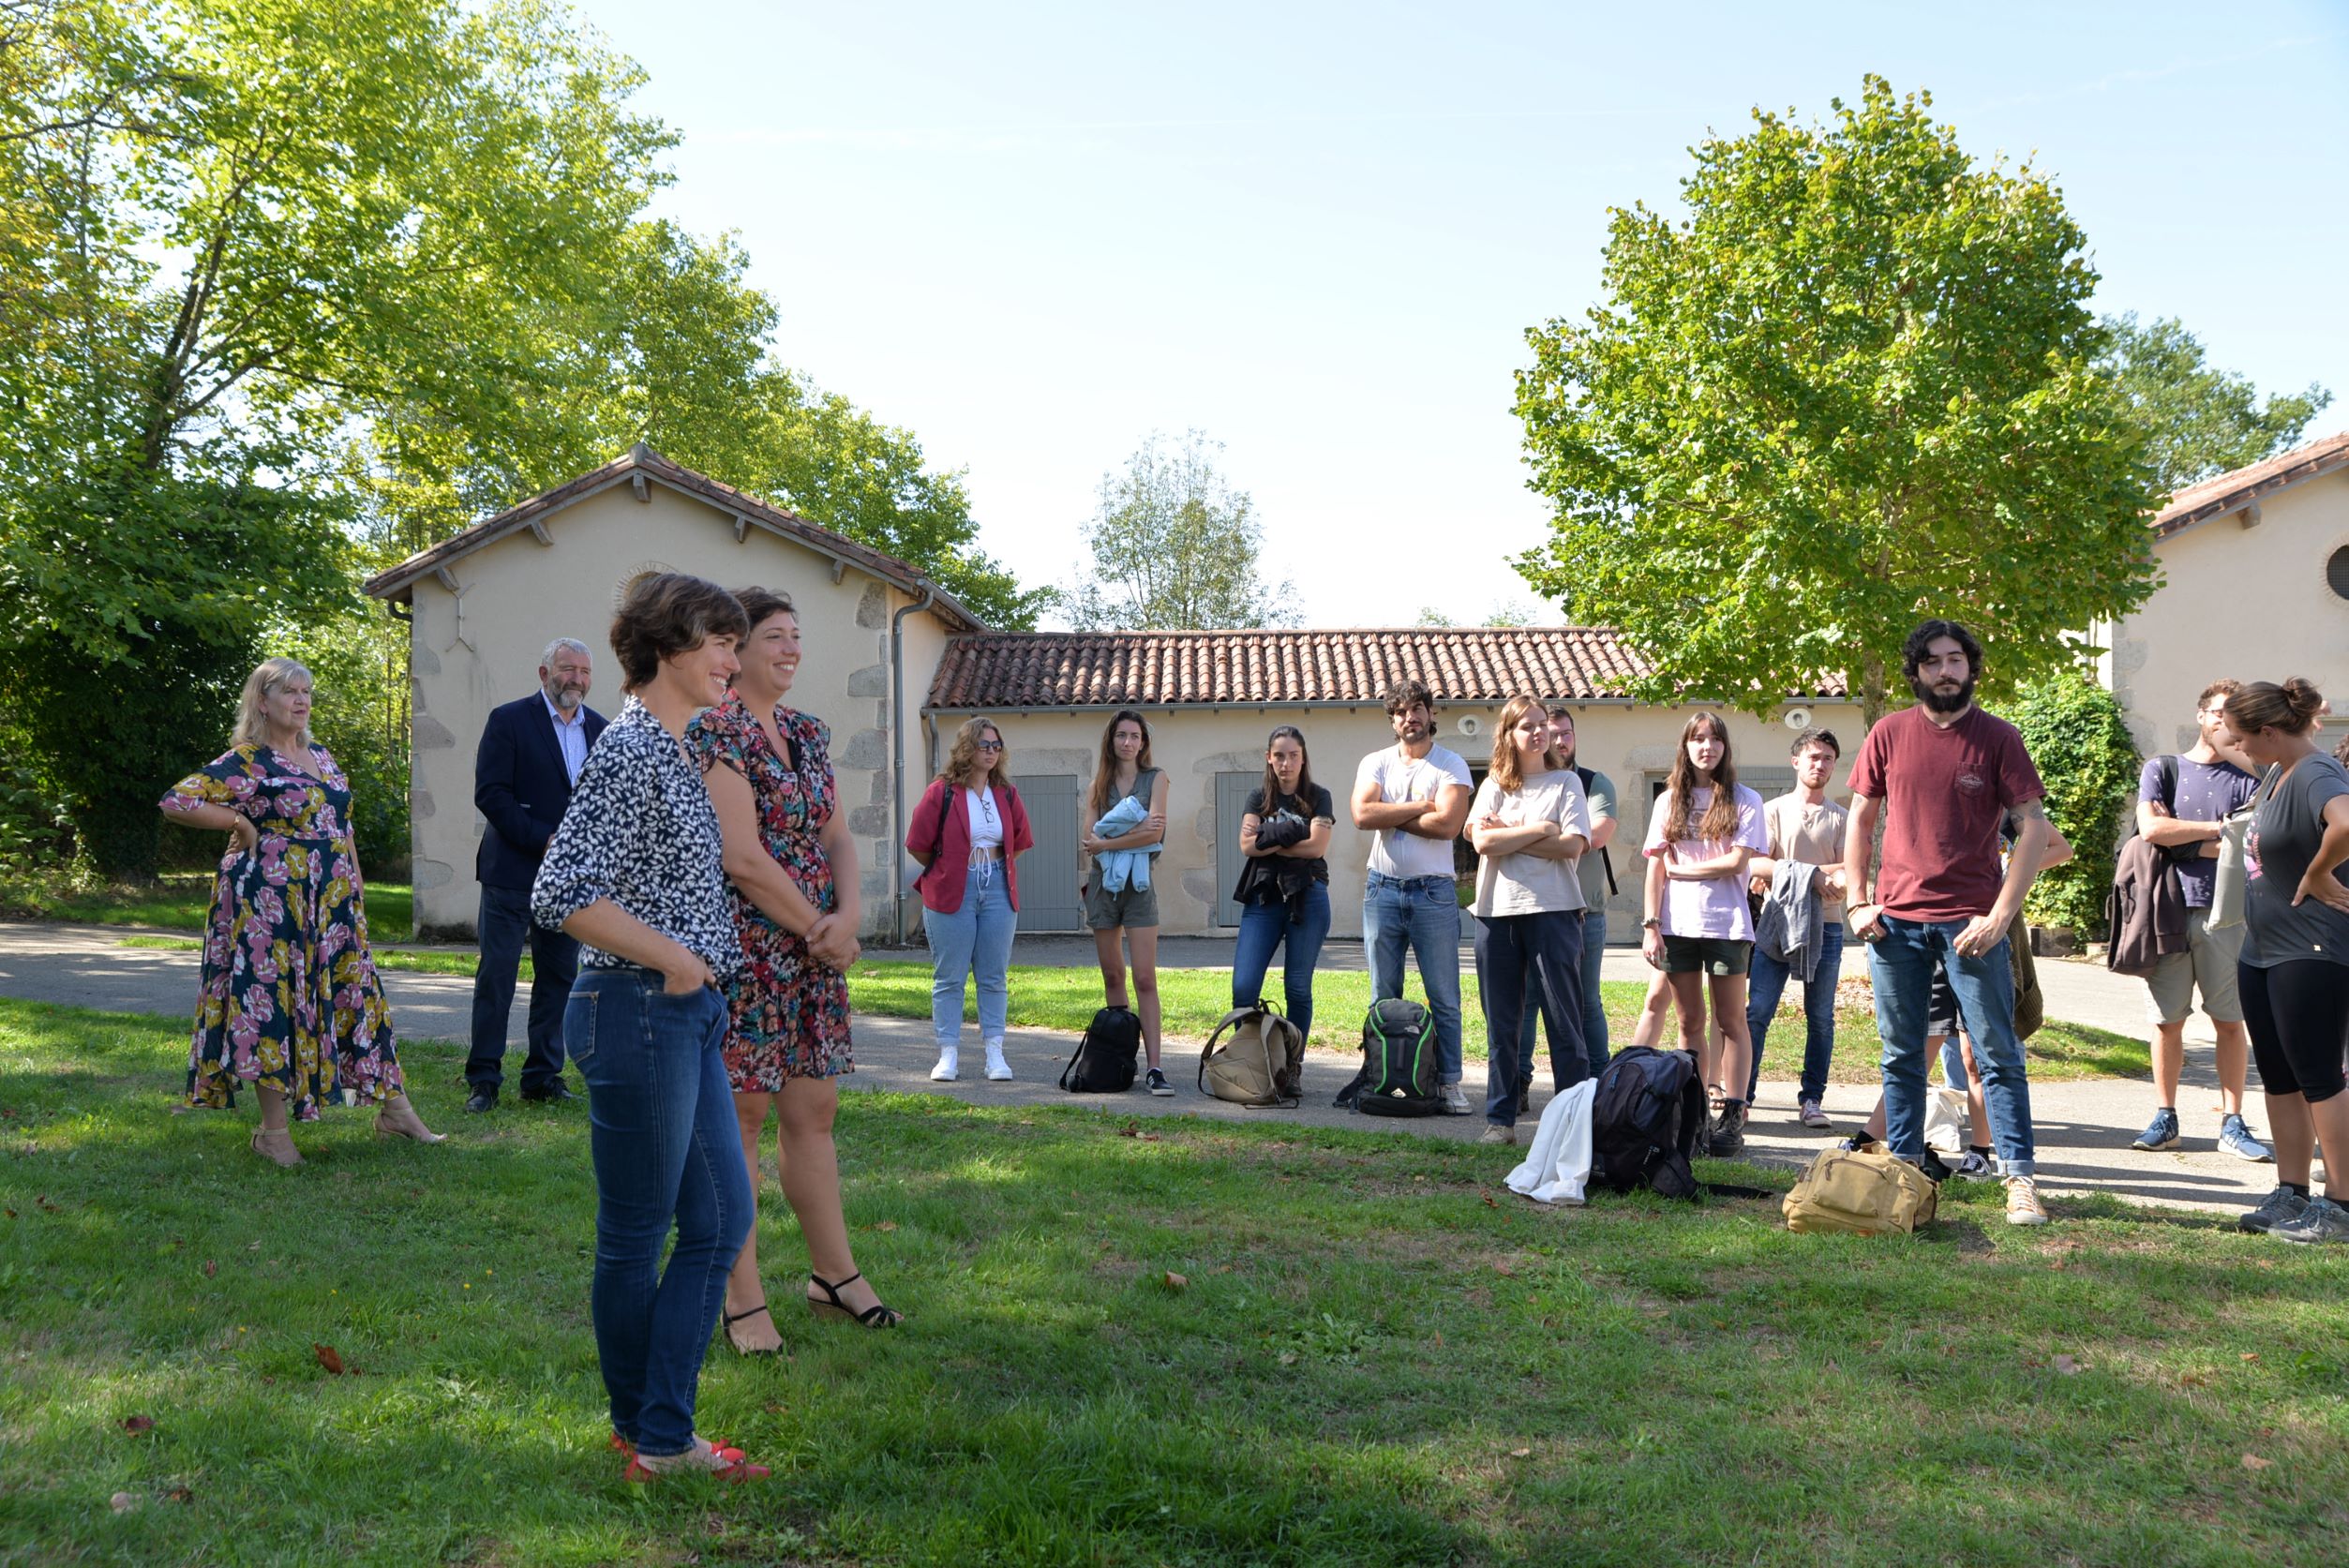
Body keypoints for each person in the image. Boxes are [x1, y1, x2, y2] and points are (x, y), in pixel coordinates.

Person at [531, 572, 768, 1482]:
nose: (732, 660)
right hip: (638, 1007)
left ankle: (661, 1432)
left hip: (684, 1013)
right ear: (669, 642)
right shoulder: (631, 746)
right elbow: (561, 891)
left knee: (719, 1218)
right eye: (719, 640)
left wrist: (694, 975)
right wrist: (674, 959)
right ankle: (653, 1438)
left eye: (736, 643)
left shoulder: (675, 749)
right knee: (638, 1233)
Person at [686, 589, 897, 1354]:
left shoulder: (808, 731)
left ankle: (833, 1275)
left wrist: (848, 917)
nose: (792, 648)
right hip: (750, 952)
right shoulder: (713, 729)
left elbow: (838, 835)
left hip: (813, 954)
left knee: (814, 1111)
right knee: (740, 1119)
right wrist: (819, 929)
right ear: (733, 649)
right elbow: (741, 857)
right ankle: (740, 1298)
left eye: (796, 635)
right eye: (775, 635)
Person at [160, 657, 441, 1165]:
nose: (301, 699)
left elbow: (343, 828)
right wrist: (240, 824)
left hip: (332, 905)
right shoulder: (248, 760)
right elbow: (178, 801)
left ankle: (396, 1112)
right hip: (271, 903)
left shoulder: (325, 758)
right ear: (262, 702)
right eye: (289, 690)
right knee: (272, 1005)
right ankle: (274, 1134)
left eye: (306, 690)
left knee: (359, 996)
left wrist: (354, 889)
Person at [1844, 619, 2054, 1227]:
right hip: (1896, 924)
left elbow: (2034, 826)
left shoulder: (1998, 738)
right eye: (1932, 660)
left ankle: (2019, 1180)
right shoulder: (1888, 733)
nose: (1944, 669)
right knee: (1902, 1054)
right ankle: (1905, 1175)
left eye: (1955, 659)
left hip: (1972, 924)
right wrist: (1858, 900)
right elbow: (1860, 818)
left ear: (1971, 668)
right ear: (1916, 671)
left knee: (1997, 1052)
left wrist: (2000, 915)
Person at [2222, 679, 2349, 1244]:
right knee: (2279, 1078)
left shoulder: (2318, 773)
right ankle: (2291, 1192)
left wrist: (2320, 870)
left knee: (2320, 1077)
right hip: (2265, 950)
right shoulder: (2278, 770)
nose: (2239, 746)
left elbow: (2347, 822)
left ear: (2271, 732)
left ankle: (2341, 1206)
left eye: (2244, 737)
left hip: (2311, 948)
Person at [2129, 680, 2272, 1161]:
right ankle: (2165, 1118)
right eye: (2217, 714)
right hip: (2167, 909)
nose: (2224, 722)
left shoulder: (2253, 778)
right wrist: (2222, 831)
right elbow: (2151, 829)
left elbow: (2256, 842)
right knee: (2167, 1021)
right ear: (2201, 715)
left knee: (2229, 1021)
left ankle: (2233, 1122)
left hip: (2230, 915)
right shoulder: (2163, 769)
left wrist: (2184, 838)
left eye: (2234, 716)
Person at [465, 636, 608, 1113]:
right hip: (511, 873)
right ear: (544, 673)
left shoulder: (602, 730)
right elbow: (491, 793)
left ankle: (542, 1076)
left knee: (558, 978)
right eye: (568, 669)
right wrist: (544, 838)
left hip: (569, 879)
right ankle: (483, 1078)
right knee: (497, 978)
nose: (578, 680)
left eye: (585, 672)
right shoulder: (509, 721)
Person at [1640, 712, 1768, 1156]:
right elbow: (1656, 867)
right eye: (1698, 739)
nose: (1706, 746)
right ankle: (1693, 1115)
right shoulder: (1667, 801)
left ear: (1725, 747)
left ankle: (1733, 1114)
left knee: (1731, 1021)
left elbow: (1737, 863)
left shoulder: (1745, 799)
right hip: (1677, 927)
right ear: (1686, 746)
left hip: (1728, 926)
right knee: (1689, 1022)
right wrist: (1651, 925)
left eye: (1714, 739)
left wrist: (1685, 870)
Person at [1467, 695, 1591, 1144]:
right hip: (1496, 912)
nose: (1539, 733)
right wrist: (1542, 829)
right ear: (1509, 735)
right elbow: (1482, 844)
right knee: (1503, 1024)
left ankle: (1573, 1121)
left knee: (1564, 1022)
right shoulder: (1493, 786)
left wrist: (1508, 836)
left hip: (1554, 911)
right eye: (1527, 726)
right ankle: (1501, 1121)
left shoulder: (1566, 784)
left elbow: (1572, 847)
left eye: (1543, 725)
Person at [1352, 680, 1475, 1114]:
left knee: (1444, 995)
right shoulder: (1376, 761)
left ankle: (1449, 1082)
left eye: (1417, 708)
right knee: (1382, 994)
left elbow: (1448, 827)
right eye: (1401, 711)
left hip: (1433, 893)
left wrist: (1392, 812)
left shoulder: (1451, 764)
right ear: (1392, 720)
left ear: (1430, 713)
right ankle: (1381, 1076)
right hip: (1381, 890)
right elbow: (1362, 814)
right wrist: (1421, 806)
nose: (1410, 717)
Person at [906, 717, 1034, 1083]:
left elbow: (1020, 842)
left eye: (997, 745)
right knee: (950, 977)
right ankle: (948, 1053)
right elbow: (917, 844)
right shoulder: (942, 791)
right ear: (968, 748)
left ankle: (995, 1052)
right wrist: (952, 867)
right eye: (984, 745)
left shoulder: (1006, 793)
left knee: (993, 976)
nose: (992, 751)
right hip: (953, 887)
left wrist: (991, 867)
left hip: (997, 886)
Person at [1742, 727, 1850, 1130]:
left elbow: (1848, 872)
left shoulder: (1843, 818)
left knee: (1820, 1017)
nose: (1819, 765)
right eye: (1812, 757)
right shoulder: (1772, 811)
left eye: (1827, 759)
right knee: (1758, 1013)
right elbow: (1754, 863)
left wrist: (1790, 873)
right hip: (1776, 924)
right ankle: (1743, 1097)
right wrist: (1814, 878)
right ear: (1795, 761)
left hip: (1829, 928)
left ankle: (1812, 1099)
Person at [1514, 703, 1616, 1108]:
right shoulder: (1522, 781)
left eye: (1565, 733)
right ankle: (1519, 1082)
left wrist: (1519, 836)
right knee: (1527, 1002)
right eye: (1550, 732)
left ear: (1575, 737)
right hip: (1535, 908)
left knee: (1586, 1000)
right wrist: (1554, 835)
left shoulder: (1594, 783)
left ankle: (1600, 1084)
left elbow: (1595, 836)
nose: (1558, 740)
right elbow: (1486, 836)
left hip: (1586, 912)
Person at [1082, 709, 1174, 1095]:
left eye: (1135, 736)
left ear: (1143, 743)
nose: (1128, 742)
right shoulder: (1097, 786)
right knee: (1113, 977)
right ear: (1111, 740)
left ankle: (1155, 1068)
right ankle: (1122, 1059)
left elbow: (1156, 832)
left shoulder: (1157, 779)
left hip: (1139, 889)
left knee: (1144, 977)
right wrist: (1125, 834)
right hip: (1103, 886)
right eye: (1121, 735)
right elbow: (1088, 840)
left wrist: (1109, 838)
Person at [1231, 725, 1336, 1038]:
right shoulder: (1258, 797)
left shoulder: (1319, 797)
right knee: (1243, 987)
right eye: (1279, 756)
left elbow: (1317, 847)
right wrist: (1293, 834)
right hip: (1264, 896)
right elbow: (1246, 846)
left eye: (1293, 756)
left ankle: (1291, 1066)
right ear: (1268, 758)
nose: (1286, 764)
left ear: (1303, 759)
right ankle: (1247, 1061)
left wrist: (1269, 836)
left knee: (1298, 989)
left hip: (1309, 895)